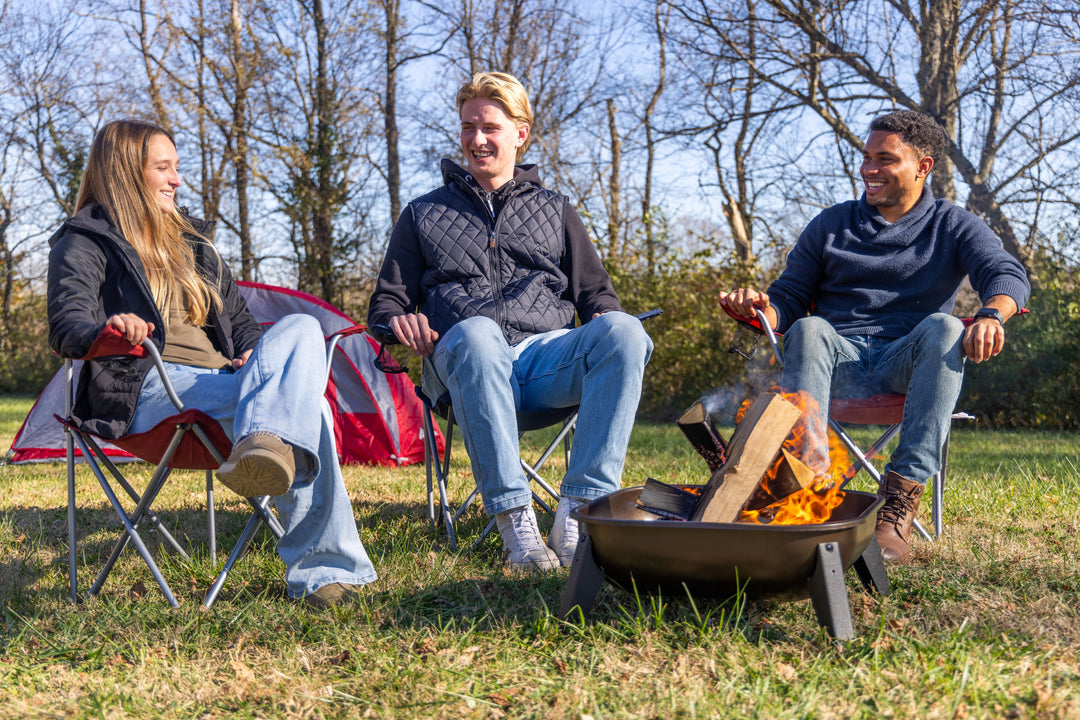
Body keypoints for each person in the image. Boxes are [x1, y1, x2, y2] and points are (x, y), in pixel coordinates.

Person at [47, 119, 376, 607]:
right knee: (313, 411)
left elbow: (242, 324)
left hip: (225, 381)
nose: (177, 179)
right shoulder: (85, 240)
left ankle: (262, 441)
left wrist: (248, 353)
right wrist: (108, 329)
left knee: (303, 326)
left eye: (177, 167)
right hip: (148, 384)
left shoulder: (195, 245)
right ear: (125, 174)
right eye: (164, 168)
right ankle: (322, 573)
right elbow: (66, 326)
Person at [368, 72, 653, 571]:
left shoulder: (557, 211)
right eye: (467, 127)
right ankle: (515, 523)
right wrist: (400, 325)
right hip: (463, 365)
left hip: (544, 365)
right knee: (479, 334)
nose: (476, 140)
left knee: (627, 330)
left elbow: (598, 297)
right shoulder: (422, 213)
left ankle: (580, 514)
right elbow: (385, 307)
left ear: (520, 132)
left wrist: (611, 328)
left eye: (490, 127)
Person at [718, 110, 1030, 565]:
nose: (868, 169)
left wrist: (991, 316)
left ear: (923, 166)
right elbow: (787, 300)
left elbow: (1007, 275)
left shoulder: (953, 223)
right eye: (866, 157)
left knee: (947, 327)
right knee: (809, 326)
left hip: (905, 361)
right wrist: (759, 307)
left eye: (885, 159)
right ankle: (808, 485)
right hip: (835, 358)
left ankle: (897, 506)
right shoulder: (832, 224)